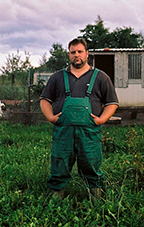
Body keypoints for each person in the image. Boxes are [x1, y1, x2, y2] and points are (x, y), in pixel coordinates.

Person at [40, 38, 119, 199]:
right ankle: (56, 201)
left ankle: (96, 200)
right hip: (63, 132)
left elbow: (112, 103)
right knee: (59, 164)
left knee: (91, 164)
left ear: (87, 54)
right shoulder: (58, 77)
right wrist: (51, 118)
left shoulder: (101, 77)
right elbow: (45, 100)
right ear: (68, 55)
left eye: (80, 52)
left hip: (89, 132)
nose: (77, 55)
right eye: (73, 52)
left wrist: (101, 120)